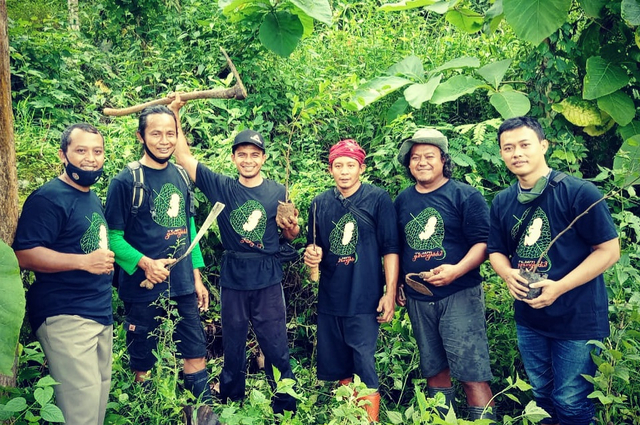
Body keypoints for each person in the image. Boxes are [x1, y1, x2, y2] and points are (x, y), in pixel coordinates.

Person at [169, 96, 299, 415]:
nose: (248, 160)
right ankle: (231, 402)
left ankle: (286, 406)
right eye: (242, 154)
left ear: (263, 159)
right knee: (233, 347)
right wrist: (174, 114)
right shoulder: (223, 187)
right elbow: (183, 156)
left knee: (276, 346)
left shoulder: (277, 191)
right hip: (234, 276)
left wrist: (292, 227)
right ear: (234, 157)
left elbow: (289, 235)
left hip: (268, 277)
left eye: (255, 155)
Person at [488, 116, 620, 425]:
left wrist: (559, 286)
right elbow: (496, 251)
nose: (516, 153)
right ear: (502, 153)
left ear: (543, 146)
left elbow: (609, 250)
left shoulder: (578, 192)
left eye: (524, 145)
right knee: (542, 396)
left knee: (571, 401)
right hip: (530, 318)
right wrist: (508, 274)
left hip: (577, 317)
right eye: (508, 148)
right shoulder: (503, 201)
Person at [104, 105, 216, 418]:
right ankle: (151, 414)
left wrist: (196, 277)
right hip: (143, 286)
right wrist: (145, 263)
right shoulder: (126, 181)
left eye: (171, 133)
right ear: (141, 136)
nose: (164, 140)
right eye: (156, 133)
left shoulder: (181, 174)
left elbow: (190, 228)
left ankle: (204, 417)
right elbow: (111, 238)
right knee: (144, 359)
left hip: (181, 285)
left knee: (195, 351)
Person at [13, 123, 115, 425]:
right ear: (63, 154)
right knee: (79, 416)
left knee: (94, 412)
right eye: (81, 150)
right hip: (66, 316)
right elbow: (23, 254)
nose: (90, 158)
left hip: (99, 314)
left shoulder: (90, 197)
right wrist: (83, 262)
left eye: (97, 152)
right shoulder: (49, 198)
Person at [393, 128, 496, 421]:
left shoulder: (465, 195)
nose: (422, 162)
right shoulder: (402, 201)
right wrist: (399, 280)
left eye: (429, 156)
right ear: (409, 165)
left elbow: (483, 243)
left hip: (459, 294)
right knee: (434, 369)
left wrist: (456, 270)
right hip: (419, 298)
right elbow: (397, 247)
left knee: (472, 371)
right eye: (415, 158)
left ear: (443, 160)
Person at [303, 139, 399, 422]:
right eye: (338, 165)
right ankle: (349, 418)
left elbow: (390, 249)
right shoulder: (319, 204)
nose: (344, 171)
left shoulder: (378, 199)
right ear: (330, 169)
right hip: (331, 299)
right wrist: (311, 259)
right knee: (339, 366)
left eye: (351, 165)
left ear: (362, 168)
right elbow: (313, 254)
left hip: (364, 298)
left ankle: (369, 419)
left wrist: (389, 293)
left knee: (364, 364)